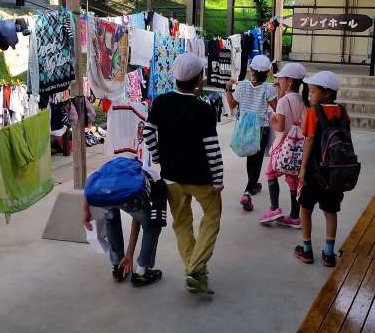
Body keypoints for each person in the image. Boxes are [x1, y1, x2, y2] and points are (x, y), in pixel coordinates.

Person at [143, 52, 223, 295]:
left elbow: (147, 132)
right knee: (212, 216)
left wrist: (158, 156)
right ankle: (196, 269)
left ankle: (193, 268)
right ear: (199, 78)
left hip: (171, 176)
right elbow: (212, 147)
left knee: (182, 223)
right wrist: (218, 178)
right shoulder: (204, 109)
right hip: (201, 178)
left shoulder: (161, 102)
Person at [82, 166, 166, 288]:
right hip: (129, 194)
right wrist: (129, 254)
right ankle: (141, 272)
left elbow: (90, 184)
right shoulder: (153, 185)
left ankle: (118, 265)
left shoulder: (111, 173)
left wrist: (85, 211)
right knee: (153, 224)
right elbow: (137, 220)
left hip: (110, 192)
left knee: (111, 219)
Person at [295, 70, 346, 267]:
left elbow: (309, 140)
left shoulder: (313, 112)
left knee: (305, 208)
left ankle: (307, 249)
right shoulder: (342, 111)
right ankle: (329, 254)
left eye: (313, 91)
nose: (310, 96)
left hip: (314, 170)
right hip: (334, 172)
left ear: (327, 93)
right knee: (330, 211)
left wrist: (302, 169)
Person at [226, 54, 277, 212]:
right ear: (268, 72)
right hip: (261, 128)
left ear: (251, 69)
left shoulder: (242, 86)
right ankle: (248, 191)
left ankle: (253, 185)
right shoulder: (268, 88)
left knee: (250, 157)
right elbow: (277, 107)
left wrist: (228, 88)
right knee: (257, 159)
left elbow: (232, 104)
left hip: (244, 128)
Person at [260, 62, 307, 228]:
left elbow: (279, 127)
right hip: (297, 148)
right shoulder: (304, 100)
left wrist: (271, 120)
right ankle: (294, 216)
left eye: (281, 79)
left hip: (282, 146)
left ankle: (274, 208)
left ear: (290, 81)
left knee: (271, 173)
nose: (278, 81)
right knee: (293, 179)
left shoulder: (283, 102)